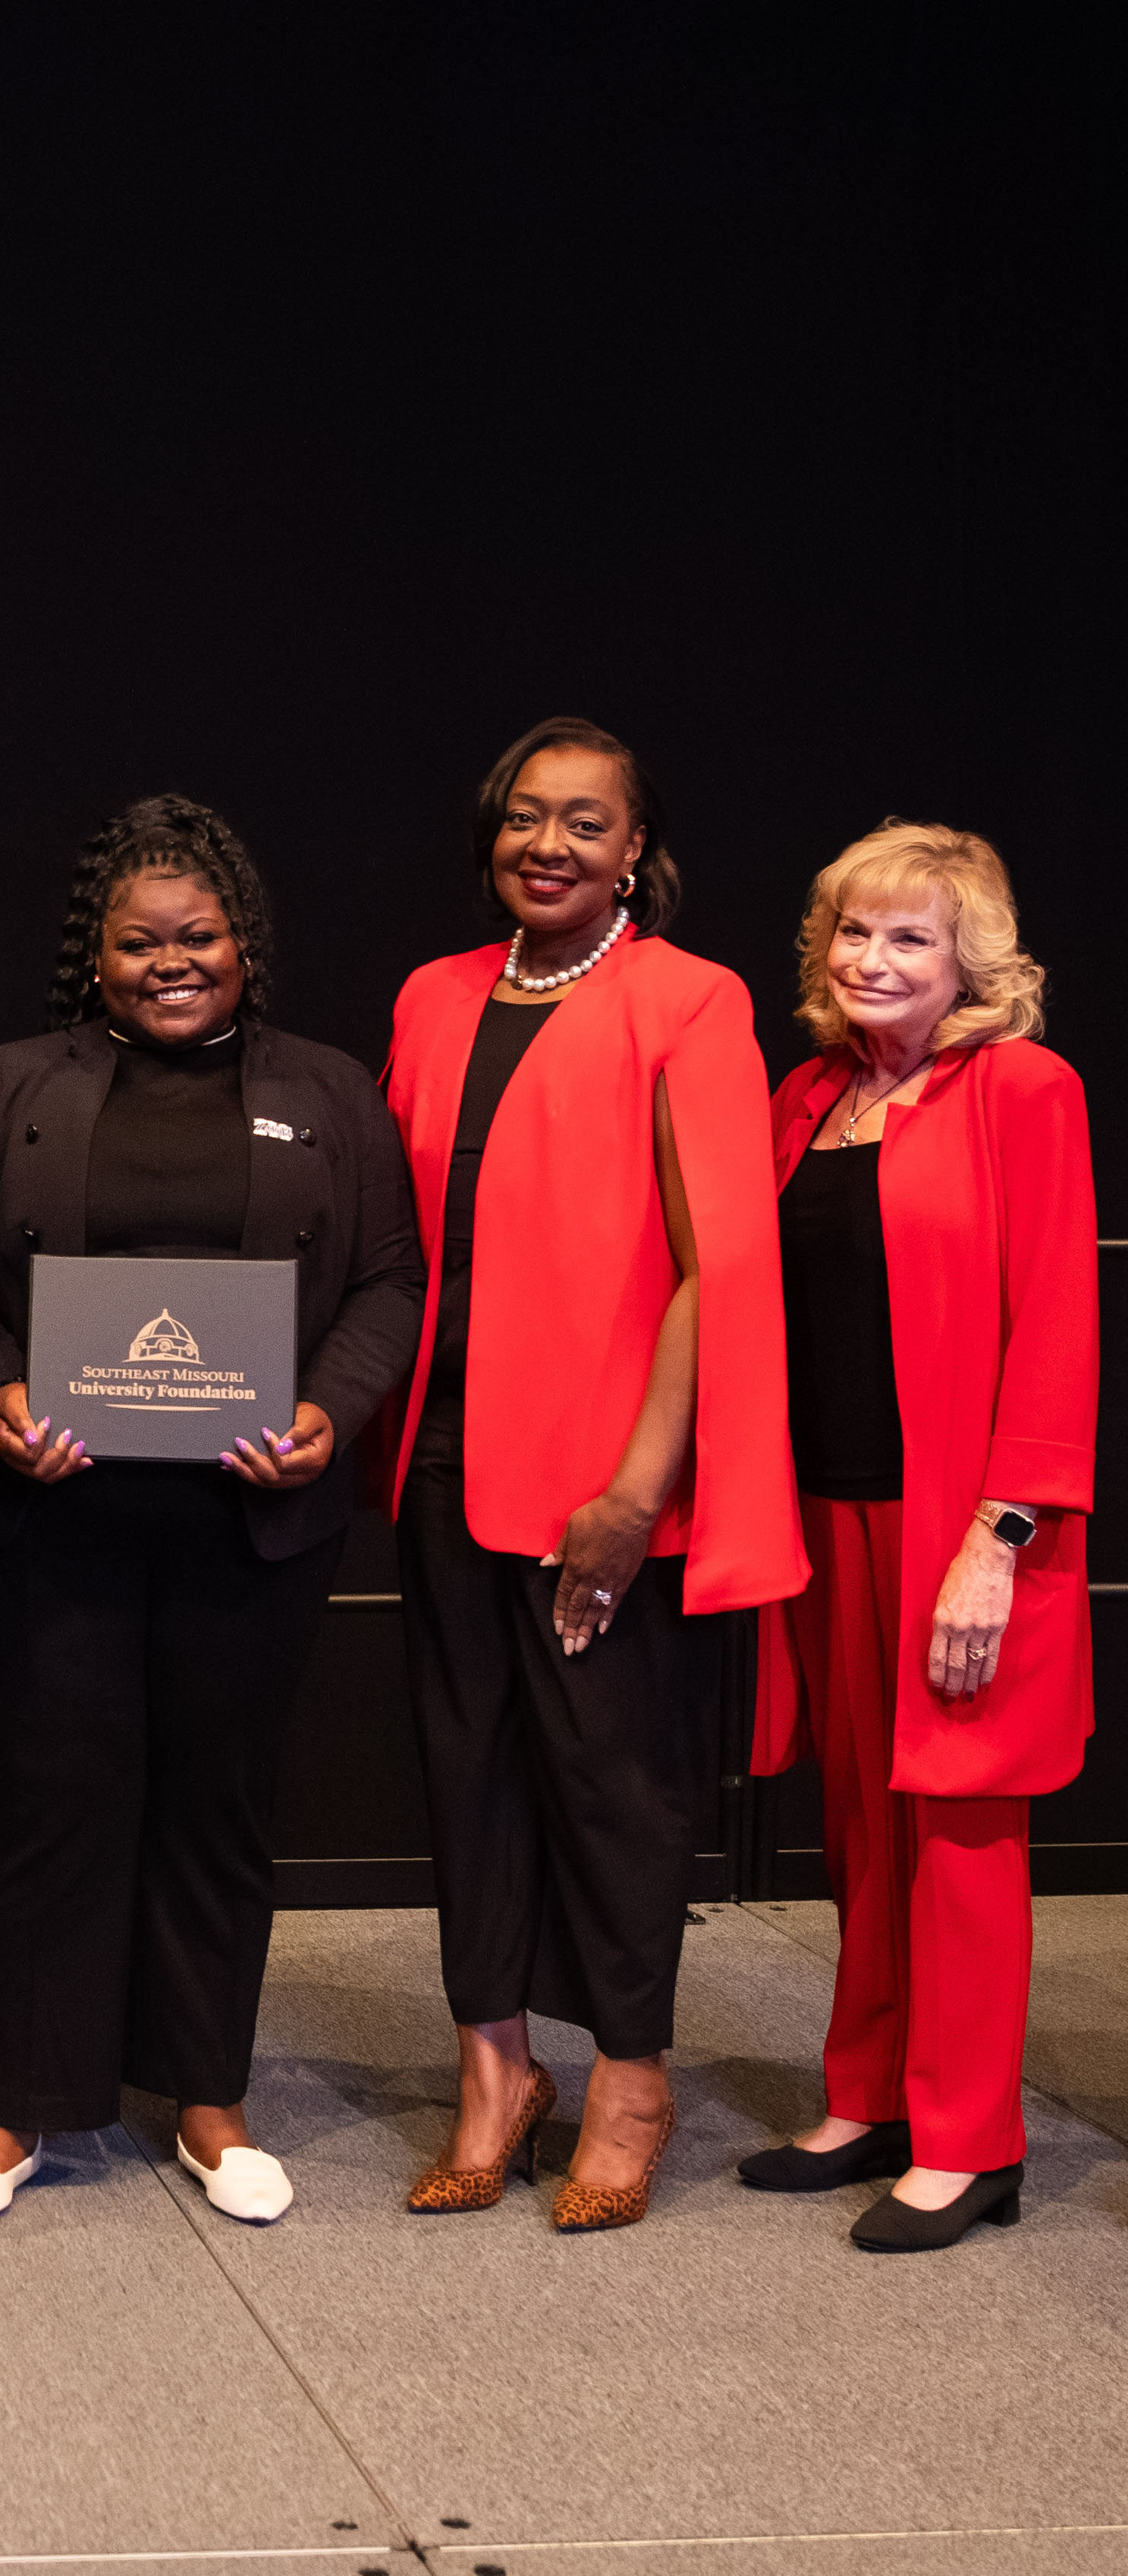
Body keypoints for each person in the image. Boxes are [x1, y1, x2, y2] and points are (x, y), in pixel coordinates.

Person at [0, 795, 422, 2226]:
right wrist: (0, 1395)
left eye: (195, 936)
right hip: (44, 1515)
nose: (168, 961)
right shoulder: (7, 1082)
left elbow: (388, 1279)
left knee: (217, 1802)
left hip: (248, 1517)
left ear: (242, 946)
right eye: (137, 942)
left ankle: (205, 2090)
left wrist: (328, 1409)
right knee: (44, 1799)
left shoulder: (327, 1091)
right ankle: (18, 2101)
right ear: (96, 957)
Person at [382, 716, 801, 2232]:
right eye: (520, 817)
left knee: (612, 1788)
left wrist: (635, 1490)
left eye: (581, 822)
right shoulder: (430, 999)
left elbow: (717, 1264)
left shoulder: (687, 1001)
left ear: (634, 848)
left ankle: (628, 2074)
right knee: (466, 1773)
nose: (543, 845)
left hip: (602, 1484)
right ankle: (493, 2068)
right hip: (435, 1460)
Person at [740, 822, 1092, 2250]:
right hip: (827, 1509)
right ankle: (868, 2091)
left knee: (955, 1823)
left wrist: (997, 1534)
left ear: (970, 962)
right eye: (853, 931)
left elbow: (1056, 1320)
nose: (873, 959)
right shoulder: (804, 1095)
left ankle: (967, 2138)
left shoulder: (1021, 1089)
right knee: (859, 1814)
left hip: (967, 1521)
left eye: (910, 937)